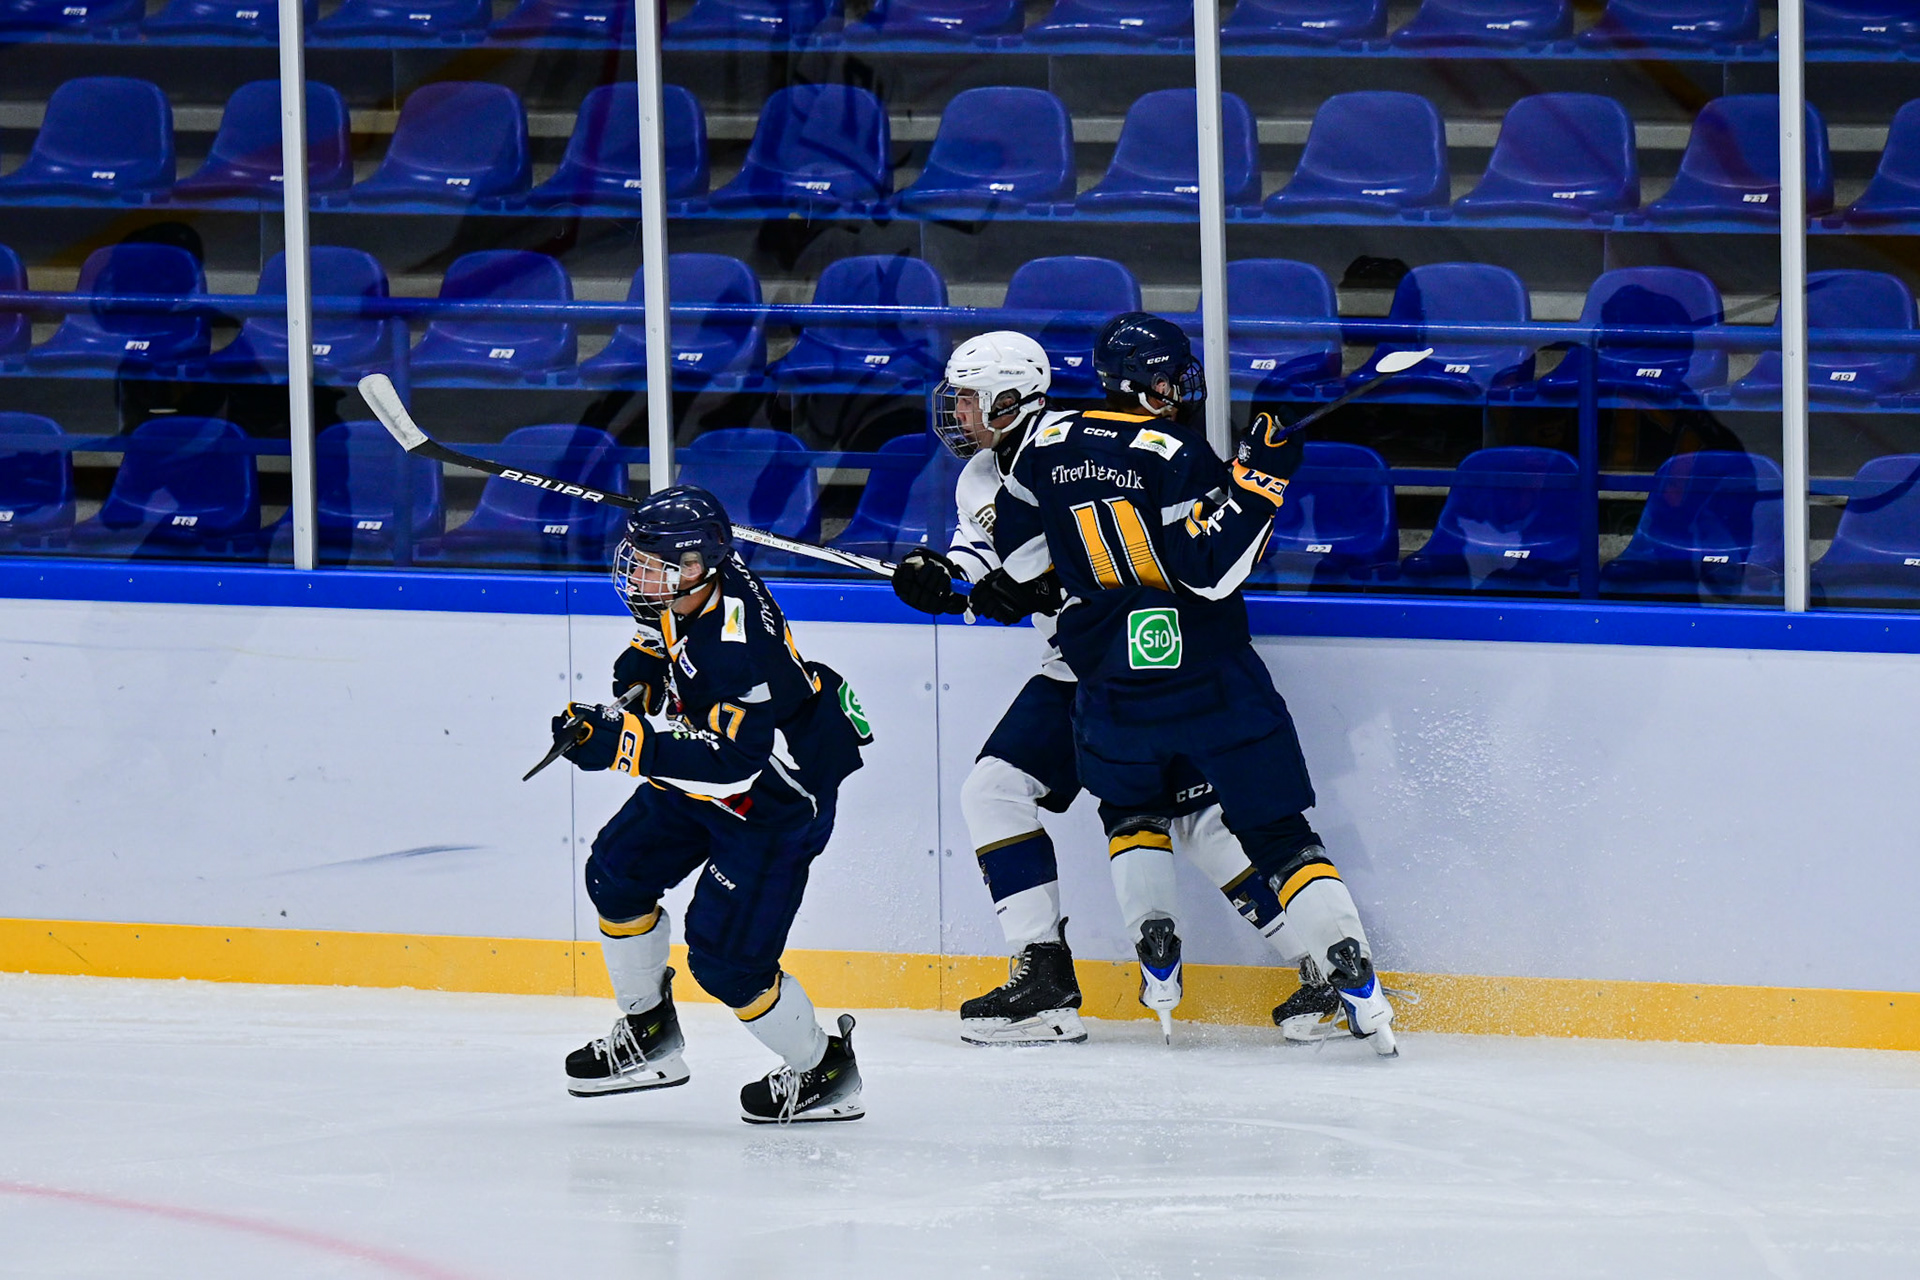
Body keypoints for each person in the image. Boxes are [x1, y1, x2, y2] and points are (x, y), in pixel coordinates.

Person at [989, 313, 1399, 1054]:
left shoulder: (1046, 441)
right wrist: (1259, 482)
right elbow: (1211, 573)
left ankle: (1157, 948)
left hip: (1110, 685)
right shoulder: (1179, 451)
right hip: (1209, 674)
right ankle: (1349, 967)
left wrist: (1050, 584)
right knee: (1277, 833)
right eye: (1173, 377)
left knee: (1129, 812)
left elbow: (1021, 561)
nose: (1181, 389)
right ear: (1149, 382)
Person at [888, 331, 1272, 1047]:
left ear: (1011, 398)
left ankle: (1323, 961)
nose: (958, 413)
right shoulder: (979, 477)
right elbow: (982, 558)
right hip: (1075, 670)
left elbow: (1124, 555)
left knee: (1199, 823)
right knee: (994, 789)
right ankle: (1044, 977)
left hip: (1151, 664)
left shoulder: (1079, 446)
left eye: (969, 399)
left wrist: (1034, 587)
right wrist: (939, 576)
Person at [552, 485, 877, 1119]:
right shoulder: (697, 586)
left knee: (728, 963)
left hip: (774, 803)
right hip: (715, 768)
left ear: (696, 566)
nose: (638, 576)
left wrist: (623, 745)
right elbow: (665, 637)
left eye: (653, 565)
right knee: (616, 874)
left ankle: (825, 1069)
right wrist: (645, 665)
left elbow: (733, 767)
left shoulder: (735, 647)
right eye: (639, 560)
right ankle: (648, 1034)